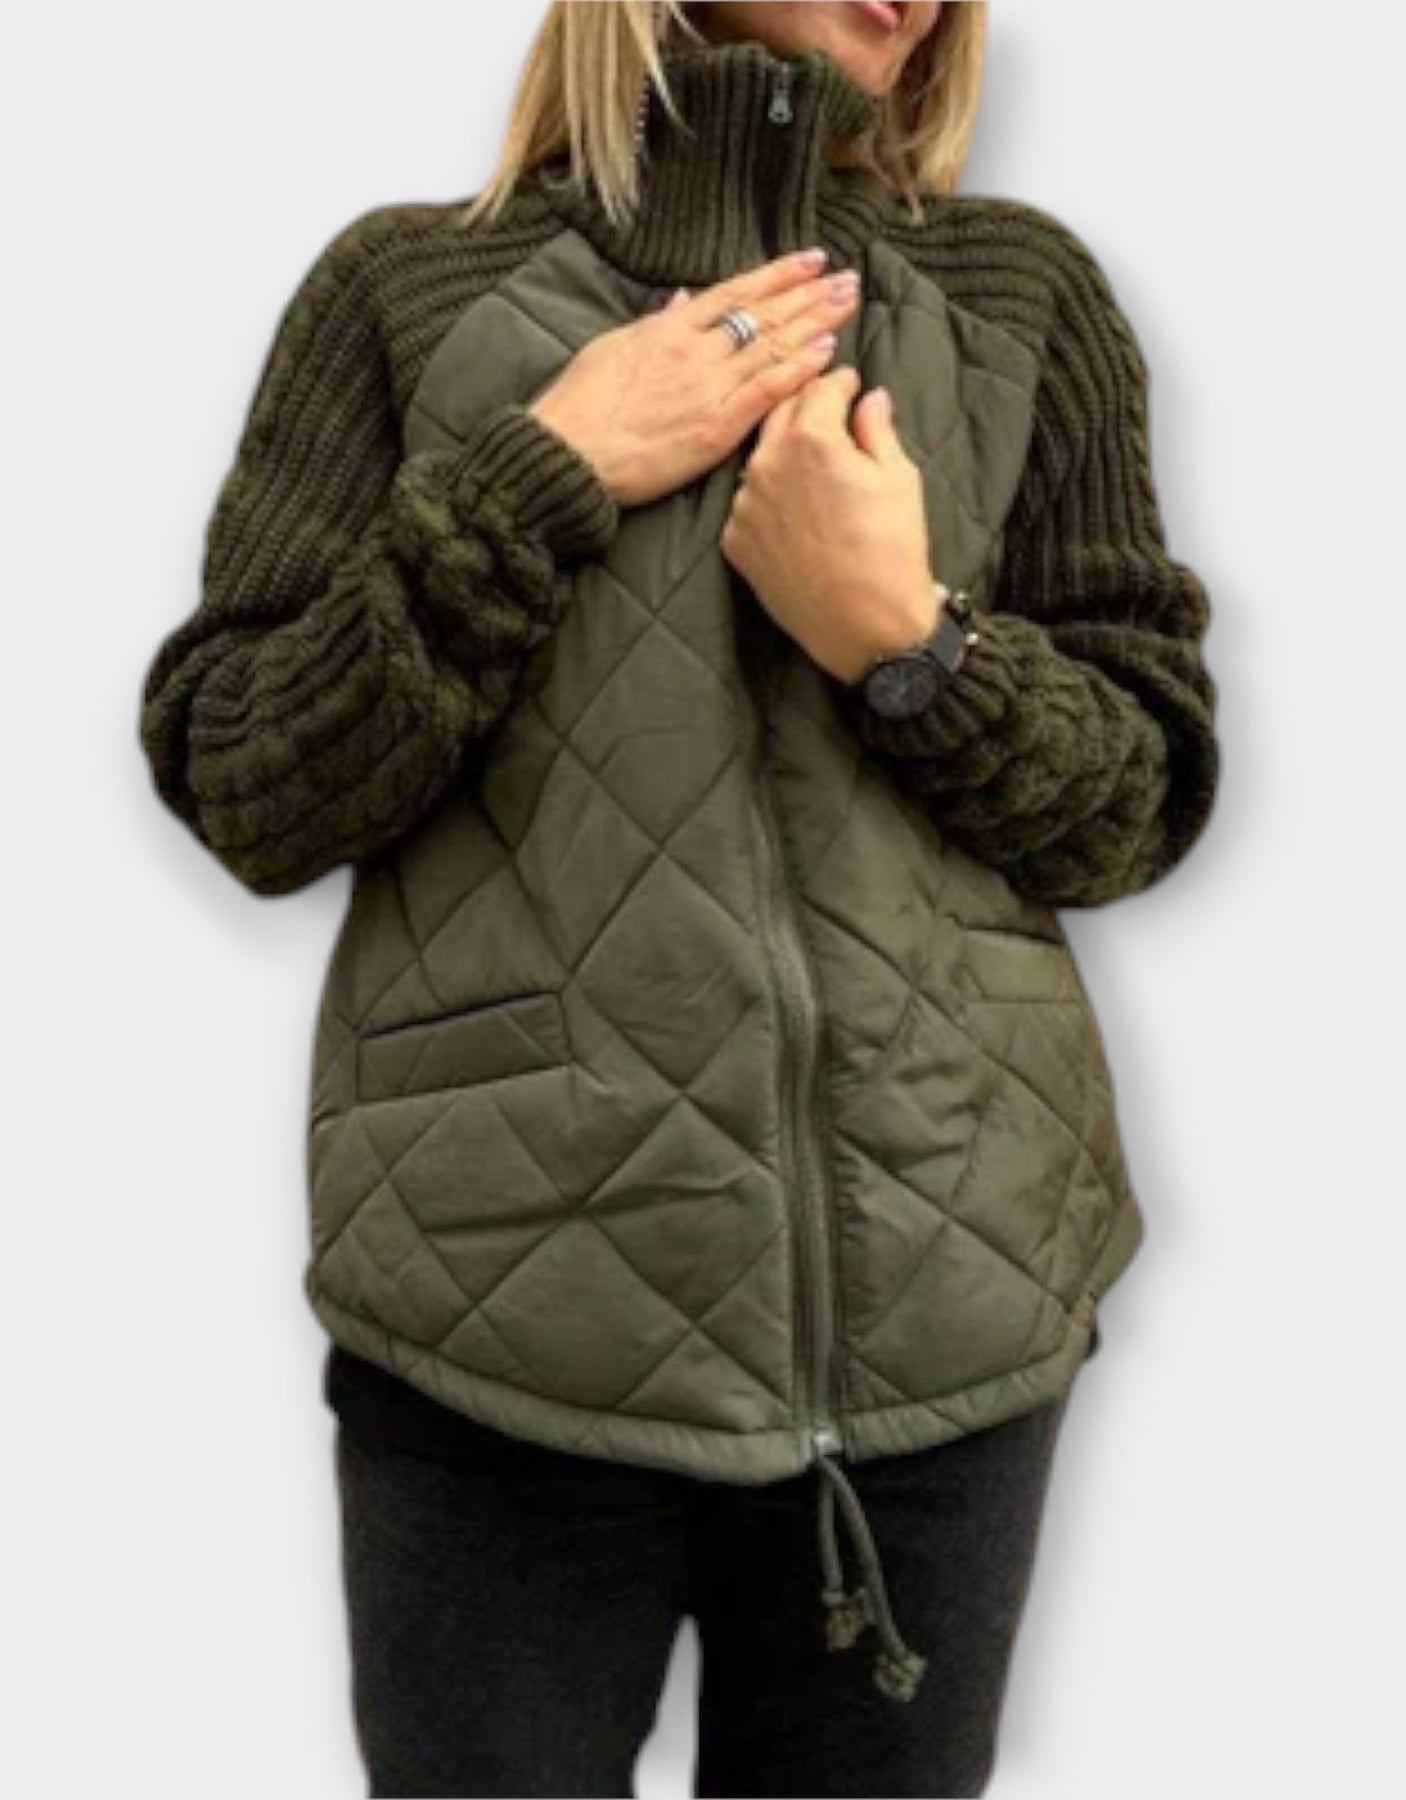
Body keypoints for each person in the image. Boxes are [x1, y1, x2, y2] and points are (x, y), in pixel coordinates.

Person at [137, 2, 1221, 1793]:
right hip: (501, 1327)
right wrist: (541, 474)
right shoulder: (409, 292)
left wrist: (909, 642)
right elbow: (246, 778)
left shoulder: (1019, 294)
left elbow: (1141, 805)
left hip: (948, 1322)